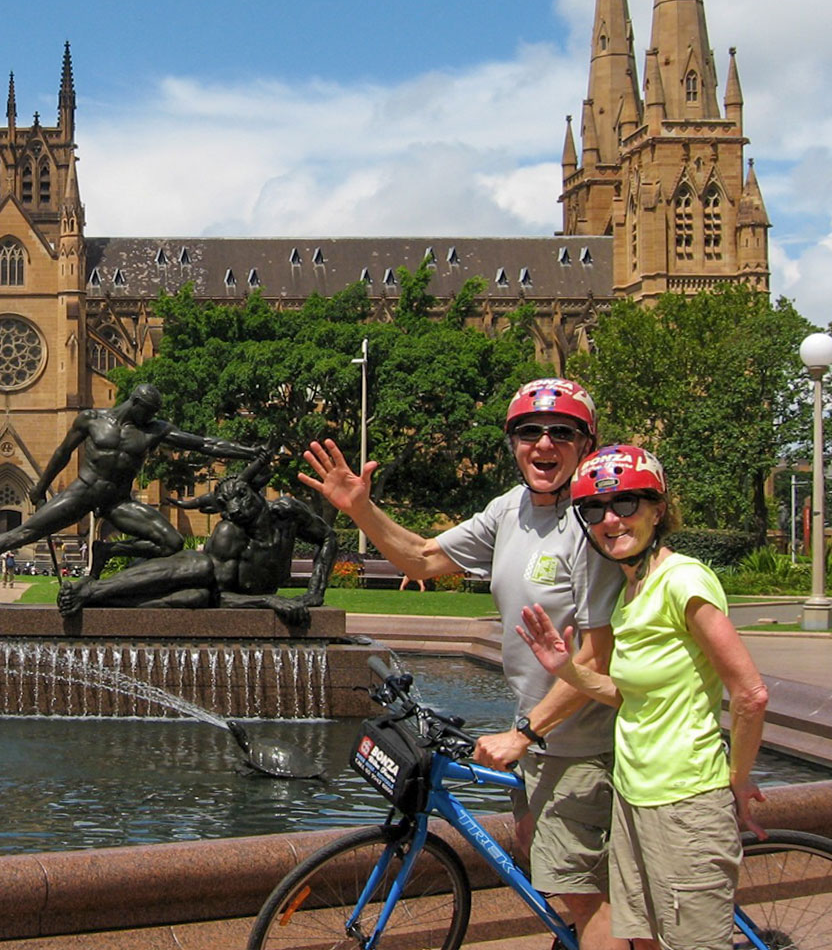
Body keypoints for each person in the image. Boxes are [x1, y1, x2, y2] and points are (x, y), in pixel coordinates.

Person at [301, 377, 624, 950]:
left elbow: (596, 656)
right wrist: (361, 509)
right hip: (542, 737)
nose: (544, 445)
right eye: (529, 433)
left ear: (586, 443)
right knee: (536, 852)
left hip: (587, 741)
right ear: (513, 443)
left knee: (582, 896)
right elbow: (423, 559)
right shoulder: (511, 509)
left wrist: (524, 733)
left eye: (561, 433)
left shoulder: (593, 524)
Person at [518, 445, 769, 950]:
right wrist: (565, 668)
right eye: (594, 509)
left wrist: (734, 782)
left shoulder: (683, 581)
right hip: (634, 802)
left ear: (658, 508)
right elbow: (625, 695)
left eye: (626, 504)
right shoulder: (634, 592)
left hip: (685, 802)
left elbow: (751, 694)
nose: (610, 520)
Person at [0, 383, 259, 605]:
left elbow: (203, 443)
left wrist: (249, 452)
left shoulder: (153, 430)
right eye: (147, 411)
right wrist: (40, 487)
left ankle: (107, 553)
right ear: (135, 403)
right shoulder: (91, 420)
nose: (151, 418)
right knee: (20, 535)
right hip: (84, 492)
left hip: (118, 501)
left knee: (172, 543)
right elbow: (63, 452)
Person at [56, 449, 336, 625]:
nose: (236, 510)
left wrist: (315, 593)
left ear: (254, 492)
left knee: (194, 598)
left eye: (240, 497)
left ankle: (94, 598)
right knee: (200, 570)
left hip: (206, 594)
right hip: (195, 574)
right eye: (226, 506)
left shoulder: (287, 513)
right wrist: (269, 602)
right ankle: (92, 591)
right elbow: (222, 597)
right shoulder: (230, 533)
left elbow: (328, 538)